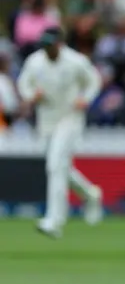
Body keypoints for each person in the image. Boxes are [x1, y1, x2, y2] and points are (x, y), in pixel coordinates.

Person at [17, 27, 103, 239]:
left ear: (60, 44)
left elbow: (94, 80)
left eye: (51, 45)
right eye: (44, 45)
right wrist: (30, 95)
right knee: (60, 167)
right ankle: (91, 195)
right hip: (46, 121)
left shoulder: (75, 61)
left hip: (70, 118)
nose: (48, 49)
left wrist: (86, 98)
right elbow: (23, 84)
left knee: (55, 165)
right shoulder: (35, 61)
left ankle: (54, 221)